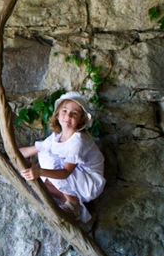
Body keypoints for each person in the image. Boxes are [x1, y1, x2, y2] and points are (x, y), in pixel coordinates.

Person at [19, 92, 105, 222]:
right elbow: (30, 150)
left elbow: (65, 172)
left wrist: (40, 171)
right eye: (64, 111)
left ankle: (73, 202)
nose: (68, 115)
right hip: (76, 177)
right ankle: (68, 200)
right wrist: (4, 155)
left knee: (50, 161)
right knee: (44, 156)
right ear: (58, 115)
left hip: (89, 182)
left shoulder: (78, 141)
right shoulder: (56, 137)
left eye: (74, 113)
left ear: (81, 119)